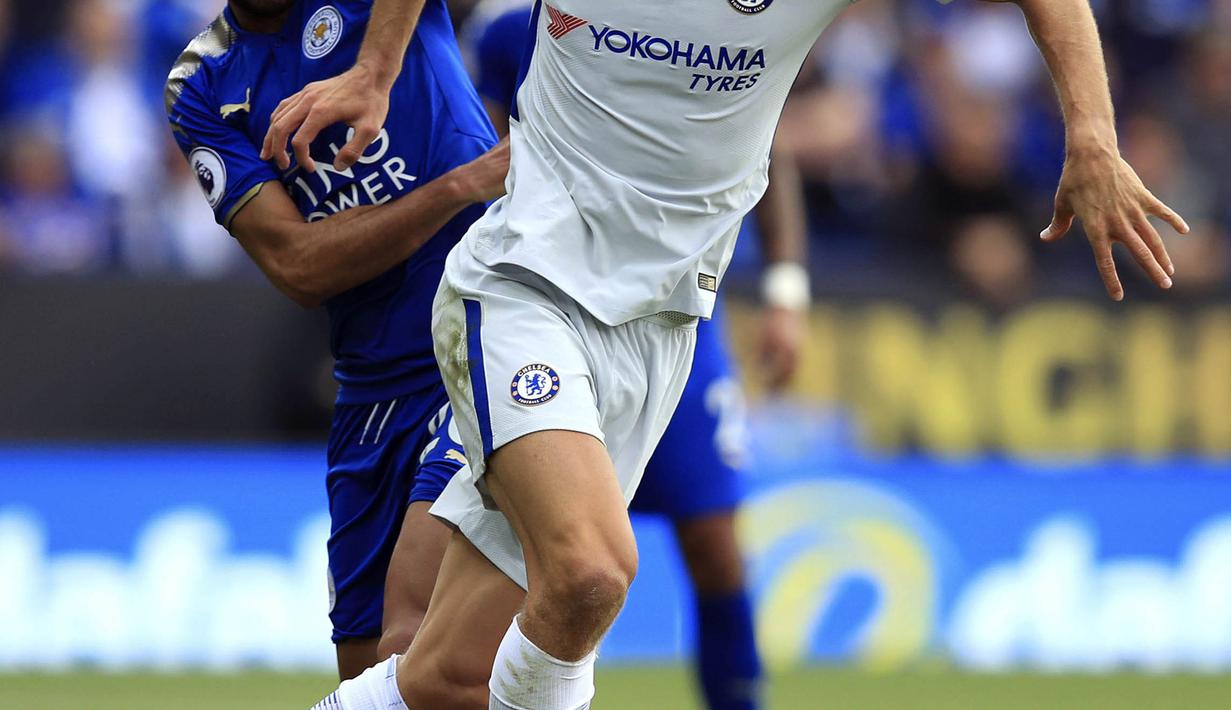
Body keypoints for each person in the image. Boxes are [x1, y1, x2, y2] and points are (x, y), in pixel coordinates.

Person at [287, 0, 1189, 707]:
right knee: (594, 570)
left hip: (665, 326)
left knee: (447, 679)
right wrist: (375, 71)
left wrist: (1090, 134)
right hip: (524, 285)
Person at [467, 6, 810, 708]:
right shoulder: (513, 34)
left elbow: (770, 151)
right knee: (552, 559)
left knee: (714, 540)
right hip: (550, 306)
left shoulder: (728, 20)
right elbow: (483, 159)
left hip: (672, 316)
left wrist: (784, 291)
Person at [163, 0, 507, 681]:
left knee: (410, 642)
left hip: (484, 344)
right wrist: (455, 188)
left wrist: (372, 73)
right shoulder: (201, 83)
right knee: (364, 672)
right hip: (371, 390)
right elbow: (297, 266)